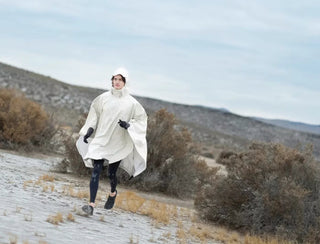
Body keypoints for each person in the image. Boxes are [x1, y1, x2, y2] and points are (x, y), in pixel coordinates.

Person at [76, 67, 148, 215]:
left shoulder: (132, 103)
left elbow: (141, 119)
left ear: (125, 82)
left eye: (120, 80)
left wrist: (129, 126)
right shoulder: (103, 98)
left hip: (117, 143)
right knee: (95, 171)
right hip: (101, 140)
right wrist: (90, 129)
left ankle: (113, 192)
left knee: (111, 174)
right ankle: (91, 205)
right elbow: (95, 114)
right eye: (115, 79)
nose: (117, 82)